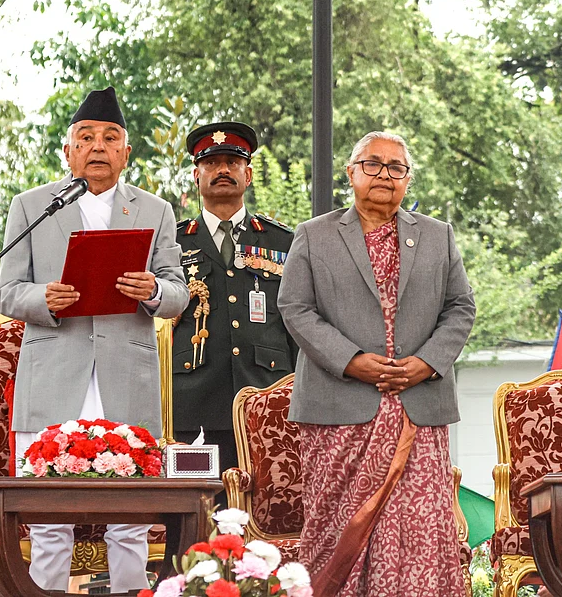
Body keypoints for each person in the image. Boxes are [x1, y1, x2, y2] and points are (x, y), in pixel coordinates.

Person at [0, 86, 188, 592]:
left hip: (127, 376)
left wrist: (153, 291)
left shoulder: (155, 210)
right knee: (49, 522)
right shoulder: (32, 205)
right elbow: (7, 292)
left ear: (126, 152)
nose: (97, 147)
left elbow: (178, 292)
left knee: (129, 522)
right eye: (86, 137)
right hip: (55, 377)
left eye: (109, 138)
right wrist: (44, 299)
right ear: (68, 150)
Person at [278, 131, 475, 596]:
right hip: (339, 408)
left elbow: (461, 307)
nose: (385, 175)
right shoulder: (314, 234)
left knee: (420, 538)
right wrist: (352, 361)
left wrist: (426, 363)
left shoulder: (437, 235)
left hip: (418, 409)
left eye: (396, 168)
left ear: (408, 179)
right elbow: (295, 308)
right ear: (351, 173)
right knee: (335, 533)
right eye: (373, 165)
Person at [173, 121, 297, 477]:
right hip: (192, 402)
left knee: (266, 510)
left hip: (268, 398)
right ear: (196, 177)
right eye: (212, 163)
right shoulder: (172, 242)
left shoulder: (282, 242)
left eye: (233, 161)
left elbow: (298, 323)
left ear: (249, 174)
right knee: (196, 512)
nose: (223, 170)